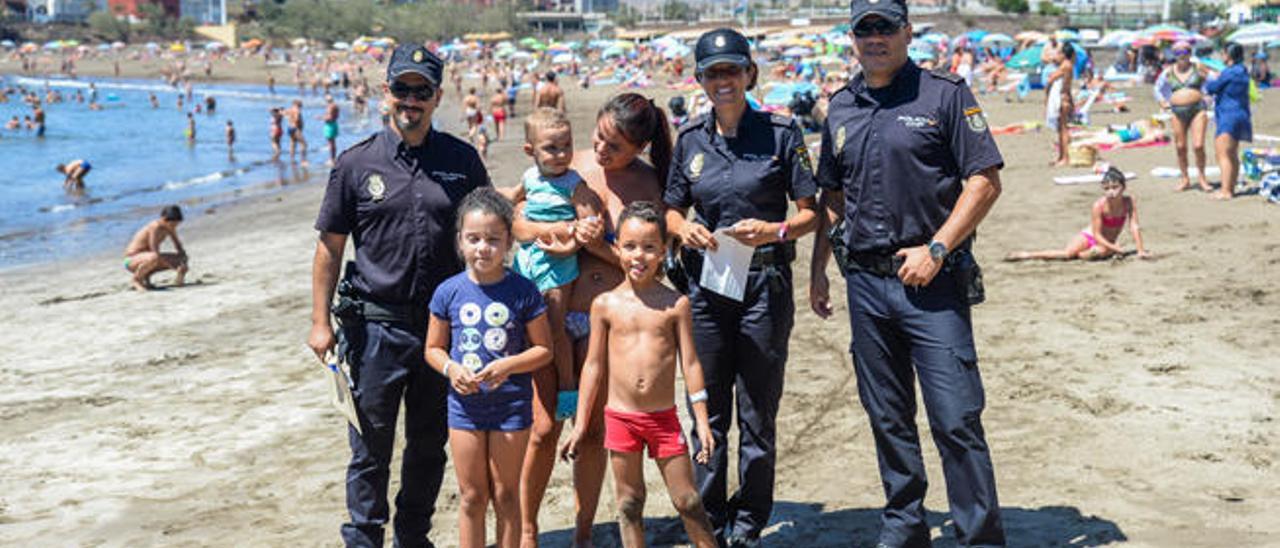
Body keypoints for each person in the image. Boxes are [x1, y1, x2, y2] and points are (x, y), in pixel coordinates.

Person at [810, 0, 1007, 544]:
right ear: (852, 37)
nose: (874, 38)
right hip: (867, 287)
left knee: (956, 418)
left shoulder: (944, 95)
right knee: (888, 417)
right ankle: (904, 524)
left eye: (885, 27)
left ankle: (979, 536)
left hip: (932, 285)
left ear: (907, 32)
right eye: (864, 29)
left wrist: (938, 248)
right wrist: (818, 269)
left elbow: (985, 181)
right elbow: (833, 195)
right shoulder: (841, 105)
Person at [308, 44, 491, 548]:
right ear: (385, 92)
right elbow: (329, 247)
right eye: (402, 89)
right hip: (374, 328)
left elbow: (489, 233)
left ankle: (413, 537)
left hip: (443, 332)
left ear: (437, 96)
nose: (411, 100)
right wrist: (319, 321)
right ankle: (364, 538)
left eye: (422, 91)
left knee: (430, 445)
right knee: (370, 446)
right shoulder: (354, 164)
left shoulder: (461, 161)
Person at [663, 28, 819, 546]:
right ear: (700, 79)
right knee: (707, 407)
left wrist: (774, 231)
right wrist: (681, 228)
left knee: (757, 410)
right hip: (707, 287)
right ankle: (707, 518)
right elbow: (670, 207)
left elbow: (811, 214)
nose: (723, 81)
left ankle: (749, 521)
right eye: (713, 73)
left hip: (764, 284)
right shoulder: (689, 139)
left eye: (732, 70)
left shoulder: (781, 132)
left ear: (750, 73)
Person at [514, 93, 672, 547]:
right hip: (554, 314)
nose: (600, 150)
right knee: (544, 429)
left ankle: (583, 531)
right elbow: (518, 222)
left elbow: (650, 265)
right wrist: (551, 233)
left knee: (594, 431)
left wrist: (594, 244)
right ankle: (527, 529)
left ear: (638, 149)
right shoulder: (569, 161)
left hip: (610, 321)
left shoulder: (649, 184)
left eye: (614, 146)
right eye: (598, 137)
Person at [559, 201, 717, 548]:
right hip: (621, 419)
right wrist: (583, 424)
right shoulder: (604, 305)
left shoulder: (676, 305)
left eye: (649, 247)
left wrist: (702, 422)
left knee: (688, 500)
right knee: (629, 504)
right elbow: (594, 366)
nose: (638, 256)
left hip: (663, 419)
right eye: (629, 246)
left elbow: (690, 364)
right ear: (616, 248)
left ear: (664, 251)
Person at [424, 187, 553, 548]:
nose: (483, 248)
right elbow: (432, 349)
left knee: (507, 495)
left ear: (509, 241)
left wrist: (509, 366)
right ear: (460, 242)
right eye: (474, 239)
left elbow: (544, 349)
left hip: (511, 406)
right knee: (471, 497)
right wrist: (451, 369)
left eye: (494, 239)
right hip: (463, 407)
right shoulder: (447, 292)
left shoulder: (524, 291)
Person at [506, 107, 598, 464]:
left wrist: (577, 234)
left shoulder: (572, 182)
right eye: (551, 148)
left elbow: (589, 218)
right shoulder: (530, 178)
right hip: (527, 264)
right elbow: (509, 204)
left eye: (566, 146)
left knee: (555, 329)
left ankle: (566, 388)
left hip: (559, 266)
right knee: (526, 326)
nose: (561, 155)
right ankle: (524, 379)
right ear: (531, 151)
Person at [1006, 167, 1150, 261]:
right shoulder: (1099, 206)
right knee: (1067, 254)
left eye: (1115, 187)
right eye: (1107, 188)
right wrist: (1116, 249)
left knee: (1099, 252)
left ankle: (1088, 254)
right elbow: (1097, 234)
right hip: (1090, 237)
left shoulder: (1129, 202)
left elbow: (1134, 226)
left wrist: (1140, 250)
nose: (1111, 192)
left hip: (1106, 244)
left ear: (1123, 187)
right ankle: (1027, 255)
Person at [1154, 41, 1211, 192]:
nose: (1182, 55)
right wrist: (1162, 102)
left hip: (1197, 110)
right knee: (1180, 146)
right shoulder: (1168, 72)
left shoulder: (1198, 68)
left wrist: (1209, 96)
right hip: (1177, 111)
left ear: (1190, 53)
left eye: (1185, 51)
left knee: (1198, 145)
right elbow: (1158, 88)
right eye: (1178, 52)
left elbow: (1214, 82)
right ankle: (1185, 179)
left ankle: (1202, 178)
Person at [1205, 42, 1253, 200]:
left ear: (1229, 55)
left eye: (1224, 53)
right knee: (1232, 154)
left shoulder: (1229, 72)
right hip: (1240, 113)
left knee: (1223, 153)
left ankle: (1226, 190)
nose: (1222, 56)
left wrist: (1207, 75)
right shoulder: (1242, 71)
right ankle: (1230, 188)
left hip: (1228, 114)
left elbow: (1212, 88)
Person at [124, 205, 189, 291]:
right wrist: (172, 266)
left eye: (176, 224)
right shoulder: (154, 227)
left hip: (147, 258)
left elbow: (178, 245)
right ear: (164, 219)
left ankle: (177, 279)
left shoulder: (169, 227)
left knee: (182, 258)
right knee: (154, 257)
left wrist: (182, 262)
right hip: (132, 259)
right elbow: (154, 249)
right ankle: (137, 280)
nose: (173, 227)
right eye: (172, 224)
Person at [1046, 44, 1075, 166]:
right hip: (1066, 98)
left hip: (1062, 99)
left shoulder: (1065, 65)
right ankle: (1061, 156)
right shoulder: (1068, 66)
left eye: (1059, 53)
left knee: (1063, 129)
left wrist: (1046, 95)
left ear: (1064, 54)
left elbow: (1051, 79)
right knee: (1061, 129)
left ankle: (1065, 158)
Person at [322, 94, 341, 164]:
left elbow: (329, 117)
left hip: (330, 125)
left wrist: (321, 118)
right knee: (332, 143)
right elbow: (336, 115)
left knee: (331, 143)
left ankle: (332, 159)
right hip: (334, 124)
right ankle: (333, 158)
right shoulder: (335, 106)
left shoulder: (330, 107)